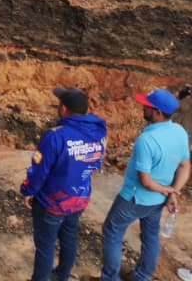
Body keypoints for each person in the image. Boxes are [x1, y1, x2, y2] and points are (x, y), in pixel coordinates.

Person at [89, 89, 190, 281]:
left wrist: (168, 190)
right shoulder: (180, 132)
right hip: (158, 201)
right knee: (150, 235)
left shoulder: (147, 140)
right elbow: (185, 166)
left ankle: (110, 278)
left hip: (134, 198)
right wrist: (172, 192)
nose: (143, 107)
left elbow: (146, 181)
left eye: (147, 106)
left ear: (157, 112)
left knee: (112, 231)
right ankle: (142, 276)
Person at [20, 88, 107, 281]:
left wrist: (28, 190)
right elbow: (97, 162)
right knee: (69, 238)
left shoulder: (56, 136)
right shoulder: (99, 131)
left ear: (64, 109)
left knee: (46, 246)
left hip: (53, 202)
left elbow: (40, 170)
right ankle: (62, 276)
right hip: (79, 198)